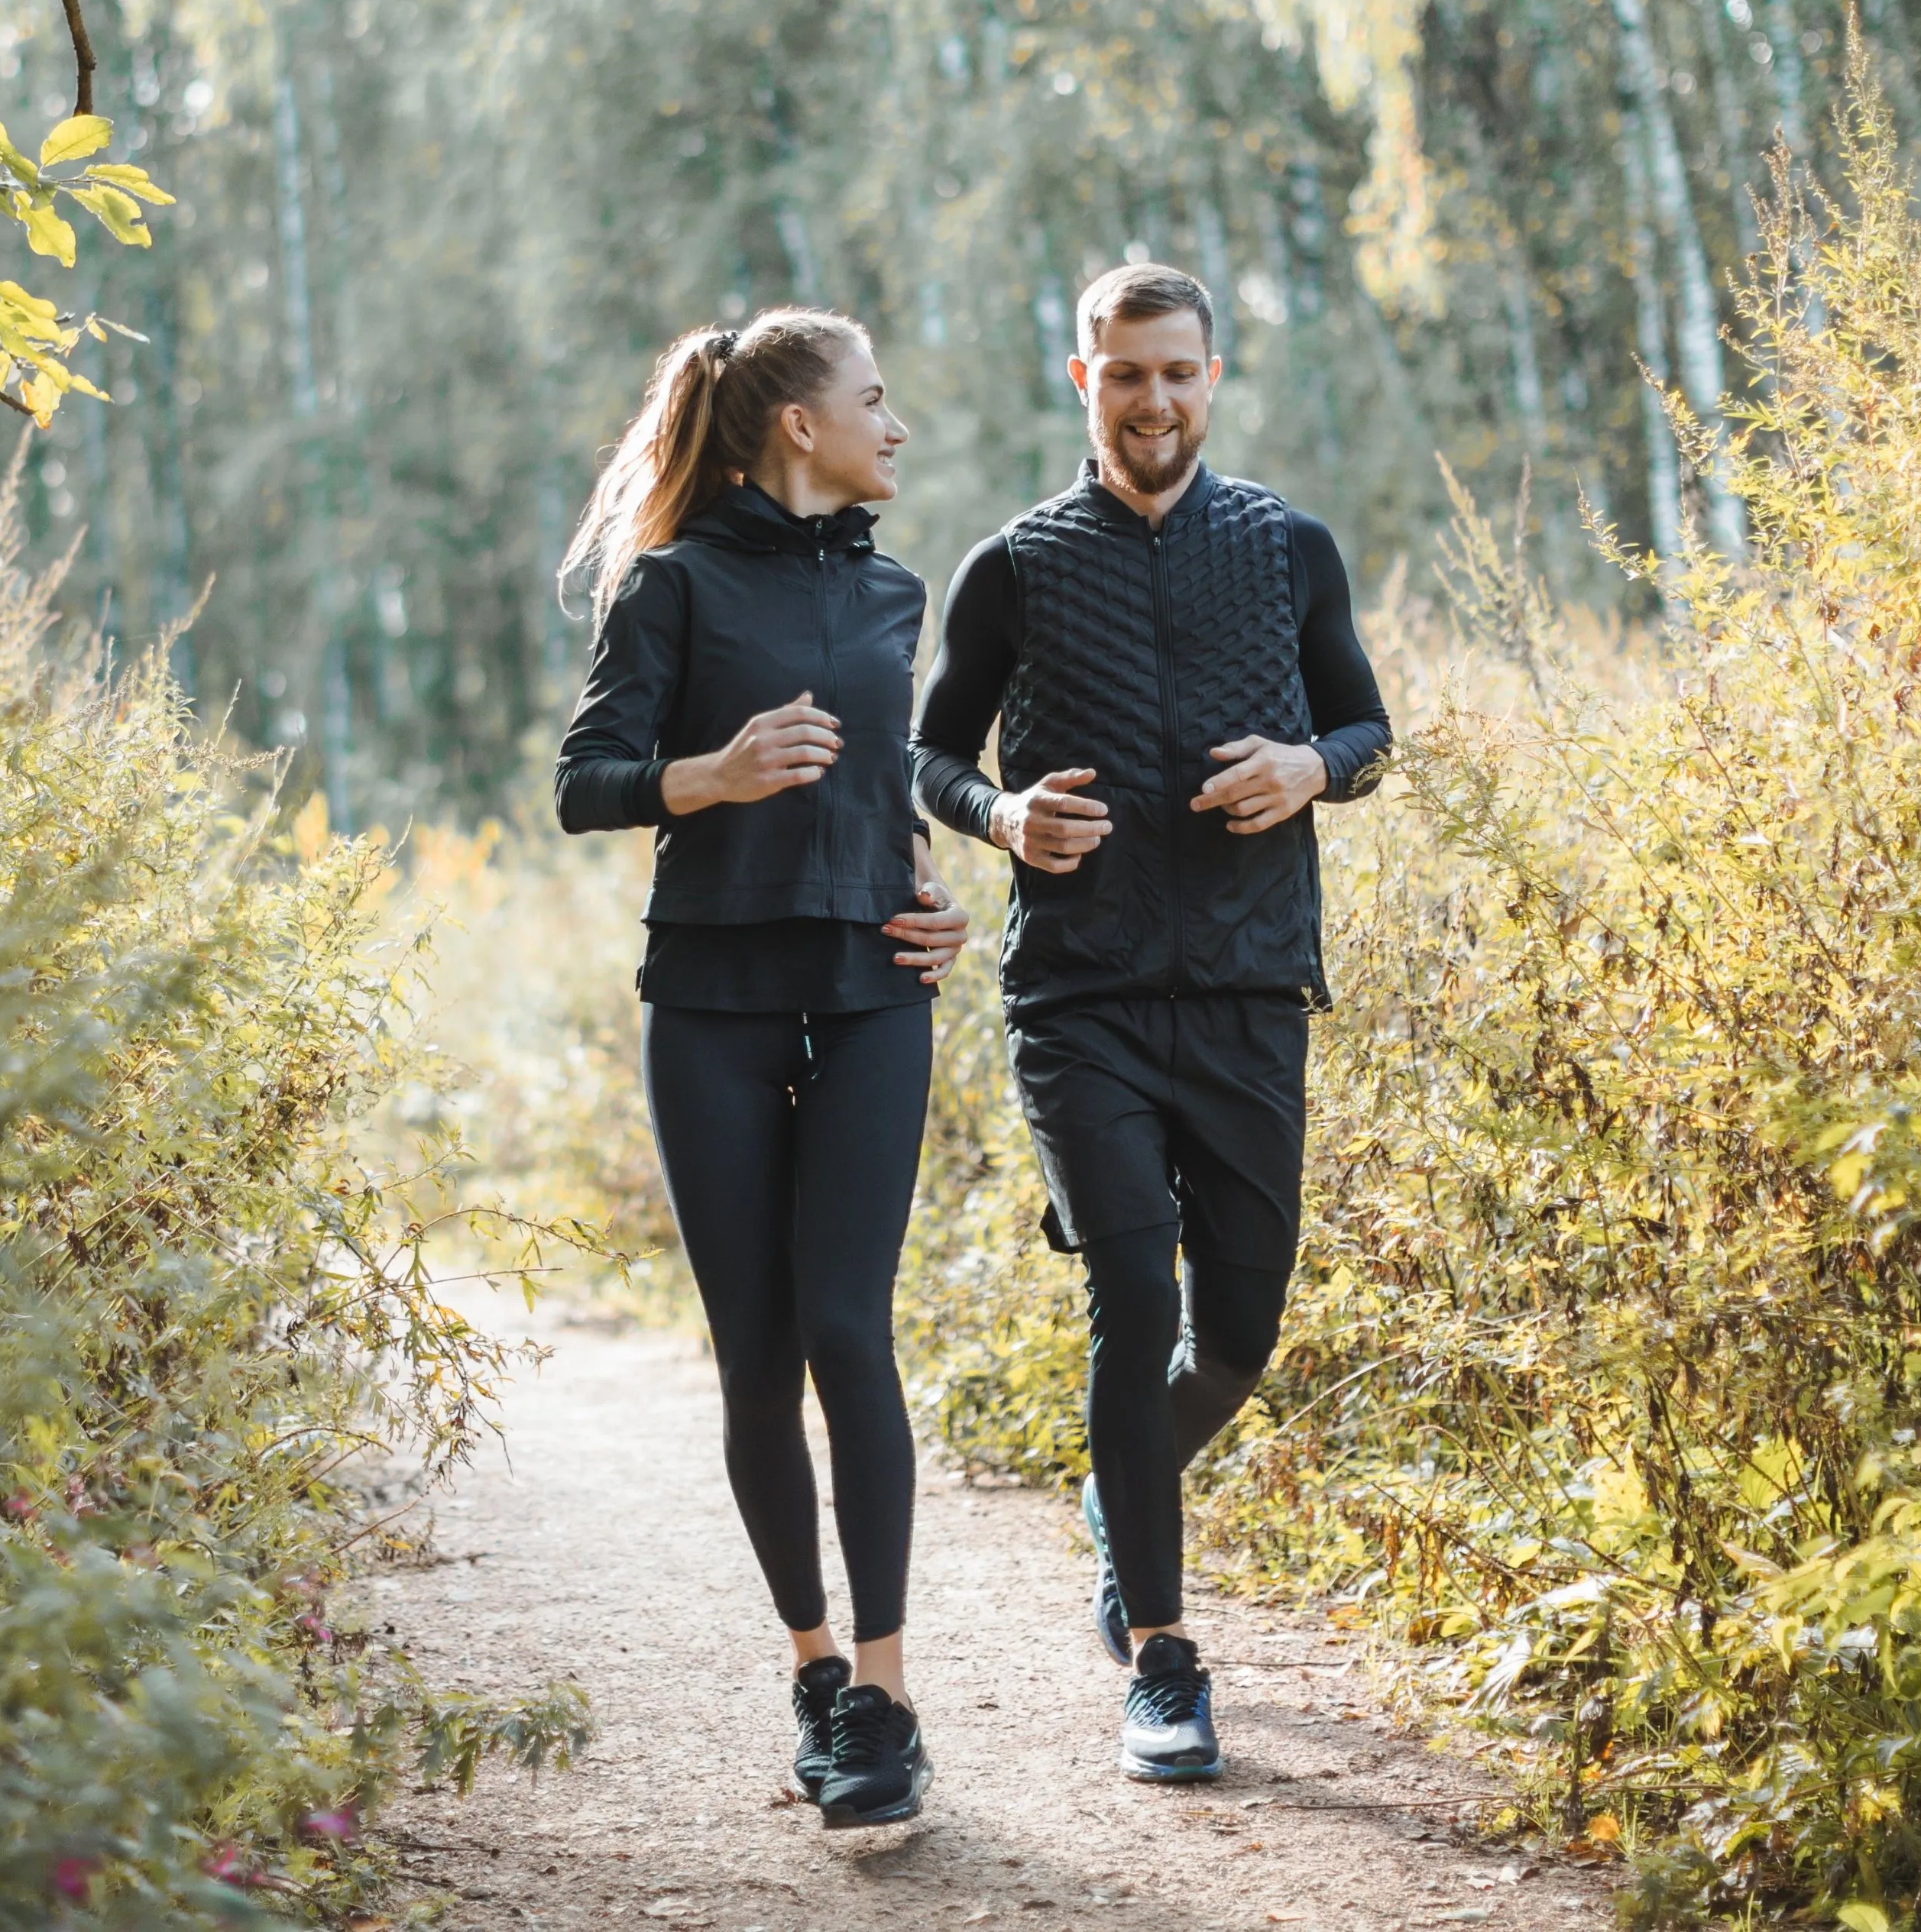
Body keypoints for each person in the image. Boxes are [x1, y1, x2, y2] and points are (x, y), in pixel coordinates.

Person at [910, 263, 1391, 1783]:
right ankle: (1166, 1663)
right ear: (1080, 380)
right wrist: (998, 815)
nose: (1154, 400)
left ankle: (1124, 1499)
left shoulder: (1286, 545)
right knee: (1131, 1290)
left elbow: (1364, 724)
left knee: (1235, 1332)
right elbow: (929, 755)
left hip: (1252, 985)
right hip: (1081, 993)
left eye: (1177, 372)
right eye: (1125, 374)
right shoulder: (1015, 565)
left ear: (1213, 372)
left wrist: (1314, 767)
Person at [555, 309, 966, 1829]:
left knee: (849, 1331)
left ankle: (885, 1696)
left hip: (871, 992)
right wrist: (709, 774)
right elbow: (583, 781)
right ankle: (810, 1665)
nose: (895, 424)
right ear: (799, 423)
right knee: (757, 1352)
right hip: (714, 999)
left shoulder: (894, 590)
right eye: (875, 399)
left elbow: (884, 791)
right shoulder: (668, 586)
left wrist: (934, 890)